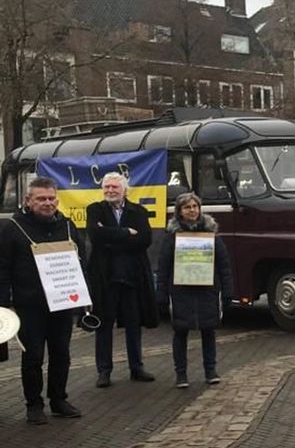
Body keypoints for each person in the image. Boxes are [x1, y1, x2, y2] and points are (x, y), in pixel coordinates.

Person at [0, 177, 84, 424]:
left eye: (51, 198)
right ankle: (34, 404)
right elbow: (2, 268)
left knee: (61, 353)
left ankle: (58, 399)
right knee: (33, 356)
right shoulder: (12, 227)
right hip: (29, 305)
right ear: (28, 200)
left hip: (62, 302)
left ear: (57, 199)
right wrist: (3, 303)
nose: (47, 203)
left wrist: (84, 295)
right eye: (41, 199)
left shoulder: (67, 226)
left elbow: (81, 261)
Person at [86, 172, 159, 387]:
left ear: (124, 190)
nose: (110, 191)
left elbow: (145, 239)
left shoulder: (139, 211)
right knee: (104, 324)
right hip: (105, 276)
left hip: (131, 276)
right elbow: (94, 236)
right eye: (106, 187)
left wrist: (110, 237)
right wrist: (127, 232)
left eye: (114, 187)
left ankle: (137, 367)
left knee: (133, 324)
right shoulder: (94, 209)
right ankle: (104, 371)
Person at [156, 193, 233, 388]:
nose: (192, 210)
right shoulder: (172, 236)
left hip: (207, 290)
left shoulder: (211, 234)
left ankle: (210, 370)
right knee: (180, 332)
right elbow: (163, 266)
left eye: (195, 206)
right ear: (180, 212)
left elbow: (224, 264)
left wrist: (227, 290)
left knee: (209, 331)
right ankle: (181, 374)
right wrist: (162, 294)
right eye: (187, 207)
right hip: (181, 291)